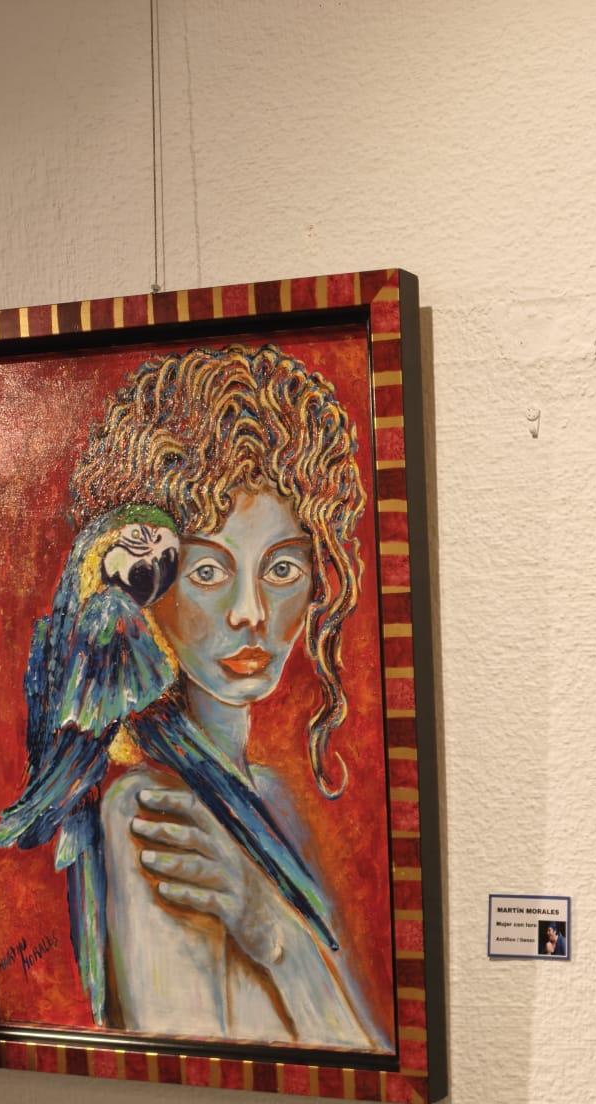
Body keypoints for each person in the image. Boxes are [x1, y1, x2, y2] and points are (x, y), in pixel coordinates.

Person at [74, 343, 385, 1049]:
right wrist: (276, 936)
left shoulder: (273, 800)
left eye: (282, 568)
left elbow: (364, 1057)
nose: (251, 612)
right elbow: (186, 1066)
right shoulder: (152, 812)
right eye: (209, 571)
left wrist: (268, 926)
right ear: (149, 588)